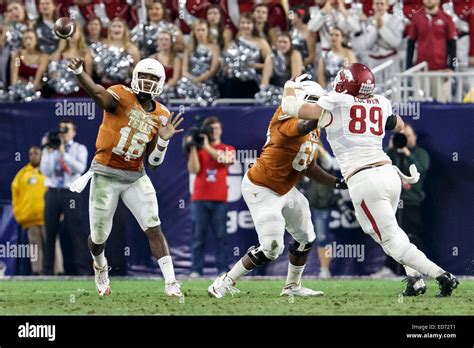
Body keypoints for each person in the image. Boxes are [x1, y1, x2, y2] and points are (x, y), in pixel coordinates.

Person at [282, 64, 459, 297]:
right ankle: (415, 280)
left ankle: (441, 276)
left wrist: (288, 86)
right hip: (388, 173)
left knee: (391, 239)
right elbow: (399, 125)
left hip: (364, 178)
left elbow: (291, 108)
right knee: (391, 232)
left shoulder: (336, 101)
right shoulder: (381, 101)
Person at [208, 79, 348, 298]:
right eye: (313, 102)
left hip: (286, 189)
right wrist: (323, 114)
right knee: (271, 247)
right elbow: (302, 125)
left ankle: (292, 286)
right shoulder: (287, 116)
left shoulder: (314, 129)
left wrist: (338, 182)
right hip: (262, 187)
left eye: (319, 104)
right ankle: (224, 282)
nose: (316, 108)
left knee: (306, 238)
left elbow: (308, 166)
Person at [67, 56, 184, 297]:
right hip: (105, 174)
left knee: (153, 226)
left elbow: (153, 163)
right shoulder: (120, 95)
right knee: (99, 238)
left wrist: (162, 140)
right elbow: (98, 93)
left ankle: (171, 282)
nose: (148, 82)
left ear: (161, 82)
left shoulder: (162, 114)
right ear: (135, 78)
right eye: (144, 76)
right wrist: (80, 71)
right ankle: (100, 266)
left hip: (134, 176)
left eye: (153, 78)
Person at [186, 116, 235, 277]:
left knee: (221, 236)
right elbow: (193, 169)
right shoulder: (200, 150)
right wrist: (193, 146)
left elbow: (225, 159)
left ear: (220, 130)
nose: (214, 131)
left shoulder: (227, 148)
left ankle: (222, 269)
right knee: (198, 236)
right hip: (199, 198)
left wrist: (206, 146)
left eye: (216, 128)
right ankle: (196, 270)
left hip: (220, 199)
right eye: (211, 129)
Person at [40, 118, 89, 276]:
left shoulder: (79, 148)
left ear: (73, 132)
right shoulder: (50, 148)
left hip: (71, 192)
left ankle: (82, 270)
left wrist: (63, 153)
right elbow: (45, 171)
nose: (63, 133)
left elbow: (80, 168)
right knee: (50, 232)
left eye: (66, 129)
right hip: (53, 192)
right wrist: (50, 151)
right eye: (61, 129)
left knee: (76, 231)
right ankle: (47, 271)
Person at [11, 146, 64, 275]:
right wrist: (19, 214)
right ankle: (37, 271)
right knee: (35, 248)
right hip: (31, 219)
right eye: (31, 154)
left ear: (41, 155)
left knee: (53, 244)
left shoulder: (49, 171)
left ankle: (59, 271)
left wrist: (60, 211)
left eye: (36, 153)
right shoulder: (22, 174)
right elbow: (15, 195)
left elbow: (61, 190)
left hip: (49, 217)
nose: (34, 156)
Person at [386, 124, 430, 253]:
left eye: (408, 136)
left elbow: (421, 169)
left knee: (412, 236)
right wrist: (391, 148)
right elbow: (378, 167)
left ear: (415, 137)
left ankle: (419, 268)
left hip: (411, 201)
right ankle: (392, 269)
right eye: (402, 136)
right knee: (390, 236)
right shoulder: (391, 154)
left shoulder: (420, 153)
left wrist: (406, 152)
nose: (405, 139)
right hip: (391, 202)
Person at [220, 12, 272, 98]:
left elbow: (270, 62)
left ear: (253, 25)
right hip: (233, 82)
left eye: (248, 23)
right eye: (243, 23)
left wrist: (256, 66)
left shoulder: (261, 42)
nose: (245, 26)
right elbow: (225, 61)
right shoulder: (233, 43)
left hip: (252, 82)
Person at [177, 19, 220, 105]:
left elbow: (213, 70)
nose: (200, 33)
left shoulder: (214, 47)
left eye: (203, 30)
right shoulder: (189, 48)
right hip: (191, 81)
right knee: (182, 85)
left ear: (208, 31)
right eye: (198, 30)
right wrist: (194, 79)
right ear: (194, 32)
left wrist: (199, 79)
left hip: (208, 82)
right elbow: (184, 71)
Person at [354, 0, 403, 74]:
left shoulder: (395, 20)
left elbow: (396, 42)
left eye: (382, 4)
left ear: (387, 6)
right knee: (374, 84)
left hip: (391, 60)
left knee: (393, 84)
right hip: (372, 61)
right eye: (377, 4)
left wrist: (381, 27)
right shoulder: (368, 21)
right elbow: (366, 44)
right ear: (373, 6)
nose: (379, 6)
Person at [406, 0, 457, 71]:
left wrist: (452, 68)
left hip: (441, 70)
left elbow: (453, 46)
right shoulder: (416, 18)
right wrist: (408, 67)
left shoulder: (447, 19)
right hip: (421, 69)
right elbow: (410, 44)